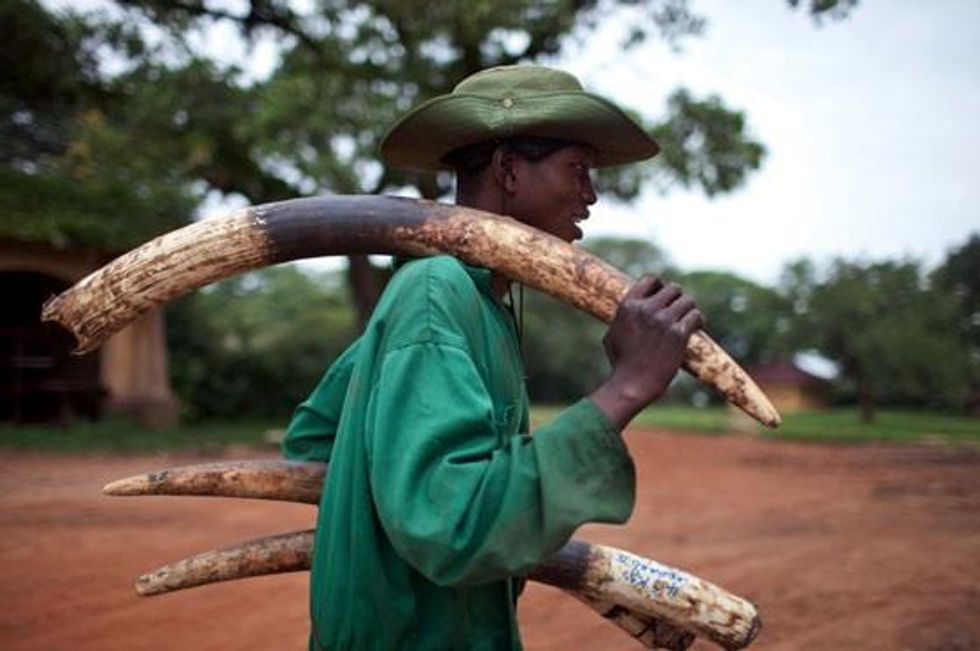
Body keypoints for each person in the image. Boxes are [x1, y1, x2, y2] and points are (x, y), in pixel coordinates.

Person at [282, 65, 703, 650]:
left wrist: (387, 520)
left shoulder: (476, 304)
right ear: (508, 170)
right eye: (577, 169)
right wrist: (627, 385)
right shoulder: (436, 292)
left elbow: (317, 437)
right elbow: (453, 525)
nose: (591, 195)